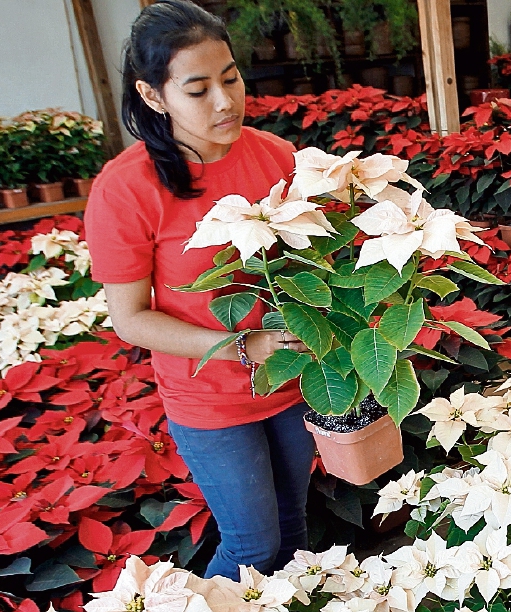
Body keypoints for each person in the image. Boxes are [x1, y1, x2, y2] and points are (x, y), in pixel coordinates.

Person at [85, 0, 314, 579]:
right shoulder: (126, 188)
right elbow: (130, 318)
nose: (225, 101)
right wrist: (245, 346)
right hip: (210, 399)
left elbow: (310, 259)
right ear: (153, 95)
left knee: (294, 531)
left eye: (231, 78)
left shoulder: (274, 156)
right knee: (252, 546)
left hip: (290, 382)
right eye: (198, 88)